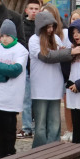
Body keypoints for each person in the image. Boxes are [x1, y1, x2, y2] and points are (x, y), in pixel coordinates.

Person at [0, 20, 28, 159]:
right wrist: (3, 76)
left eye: (7, 36)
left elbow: (15, 70)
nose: (4, 39)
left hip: (11, 96)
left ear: (13, 36)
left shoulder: (21, 50)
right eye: (2, 36)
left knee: (8, 126)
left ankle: (8, 152)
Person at [29, 9, 72, 147]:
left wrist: (65, 52)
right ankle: (39, 149)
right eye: (47, 27)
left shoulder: (57, 39)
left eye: (52, 26)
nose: (50, 29)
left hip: (55, 86)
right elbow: (46, 56)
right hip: (40, 88)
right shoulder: (34, 40)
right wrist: (69, 52)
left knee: (54, 122)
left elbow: (60, 55)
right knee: (40, 123)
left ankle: (53, 148)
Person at [18, 0, 43, 140]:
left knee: (38, 99)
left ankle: (36, 126)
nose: (33, 11)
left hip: (39, 68)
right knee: (27, 99)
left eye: (36, 9)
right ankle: (27, 127)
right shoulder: (21, 25)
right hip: (26, 67)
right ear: (26, 10)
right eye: (31, 9)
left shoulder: (42, 27)